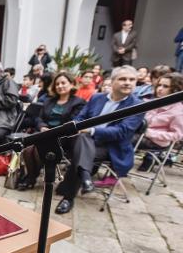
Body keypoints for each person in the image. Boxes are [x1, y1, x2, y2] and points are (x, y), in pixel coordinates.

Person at [54, 66, 144, 214]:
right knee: (59, 139)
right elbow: (80, 118)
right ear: (113, 81)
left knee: (81, 148)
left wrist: (91, 130)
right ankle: (85, 177)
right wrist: (77, 127)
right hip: (81, 140)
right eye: (123, 79)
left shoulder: (138, 105)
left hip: (109, 147)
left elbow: (122, 132)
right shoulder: (97, 98)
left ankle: (68, 198)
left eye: (132, 79)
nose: (128, 83)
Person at [18, 71, 86, 190]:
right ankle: (31, 176)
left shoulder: (78, 103)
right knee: (27, 150)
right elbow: (38, 117)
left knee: (38, 150)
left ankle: (30, 178)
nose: (60, 86)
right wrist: (42, 126)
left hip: (62, 137)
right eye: (57, 84)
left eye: (63, 83)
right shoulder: (49, 101)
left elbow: (72, 123)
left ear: (71, 84)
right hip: (44, 132)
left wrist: (53, 131)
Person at [135, 72, 183, 171]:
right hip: (140, 134)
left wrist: (149, 133)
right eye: (159, 85)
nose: (160, 89)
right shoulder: (153, 102)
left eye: (165, 86)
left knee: (123, 138)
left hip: (157, 141)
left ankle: (114, 172)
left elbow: (177, 135)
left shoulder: (178, 111)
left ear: (176, 89)